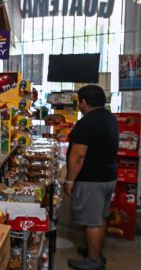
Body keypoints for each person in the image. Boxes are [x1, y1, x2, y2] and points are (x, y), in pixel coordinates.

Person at [64, 85, 119, 270]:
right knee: (100, 218)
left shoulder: (87, 122)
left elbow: (78, 155)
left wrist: (70, 180)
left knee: (91, 221)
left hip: (92, 180)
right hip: (108, 177)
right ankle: (94, 251)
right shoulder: (110, 118)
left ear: (84, 102)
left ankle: (93, 261)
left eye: (79, 101)